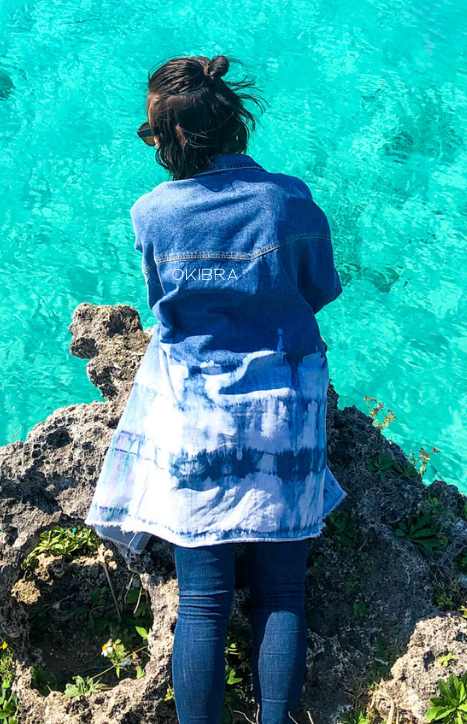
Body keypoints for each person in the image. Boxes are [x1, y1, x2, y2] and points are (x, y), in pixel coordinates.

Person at [85, 54, 346, 724]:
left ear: (171, 140)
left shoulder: (152, 214)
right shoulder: (289, 200)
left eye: (150, 134)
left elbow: (162, 304)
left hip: (196, 419)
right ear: (234, 123)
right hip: (285, 412)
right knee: (282, 594)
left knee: (203, 604)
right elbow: (319, 289)